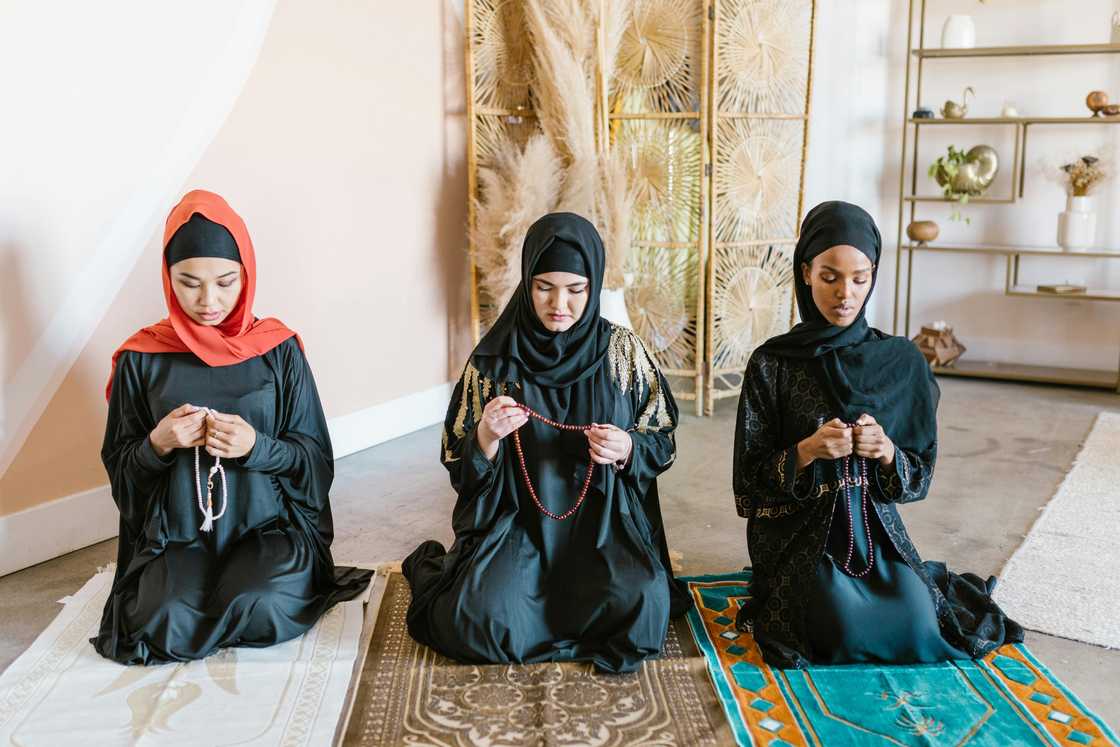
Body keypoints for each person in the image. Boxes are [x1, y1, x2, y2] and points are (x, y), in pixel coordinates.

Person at [732, 200, 1023, 667]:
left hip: (876, 532)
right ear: (806, 272)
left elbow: (917, 478)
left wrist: (887, 452)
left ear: (874, 275)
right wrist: (806, 451)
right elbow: (748, 486)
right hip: (798, 535)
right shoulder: (773, 364)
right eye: (830, 277)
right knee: (840, 629)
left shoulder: (900, 362)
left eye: (860, 278)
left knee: (915, 623)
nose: (845, 293)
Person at [403, 212, 690, 673]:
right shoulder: (493, 362)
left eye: (576, 290)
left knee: (644, 610)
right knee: (477, 622)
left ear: (593, 286)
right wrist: (486, 437)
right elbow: (458, 459)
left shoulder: (622, 352)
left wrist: (628, 448)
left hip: (603, 528)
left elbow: (664, 439)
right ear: (526, 280)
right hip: (518, 527)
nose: (560, 304)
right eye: (544, 286)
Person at [95, 189, 370, 664]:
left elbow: (315, 461)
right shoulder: (141, 359)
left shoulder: (276, 349)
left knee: (262, 604)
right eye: (189, 282)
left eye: (225, 282)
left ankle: (233, 593)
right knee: (162, 620)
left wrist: (257, 447)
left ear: (247, 274)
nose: (209, 301)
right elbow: (122, 472)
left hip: (267, 528)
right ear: (167, 278)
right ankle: (197, 594)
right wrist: (156, 445)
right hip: (176, 534)